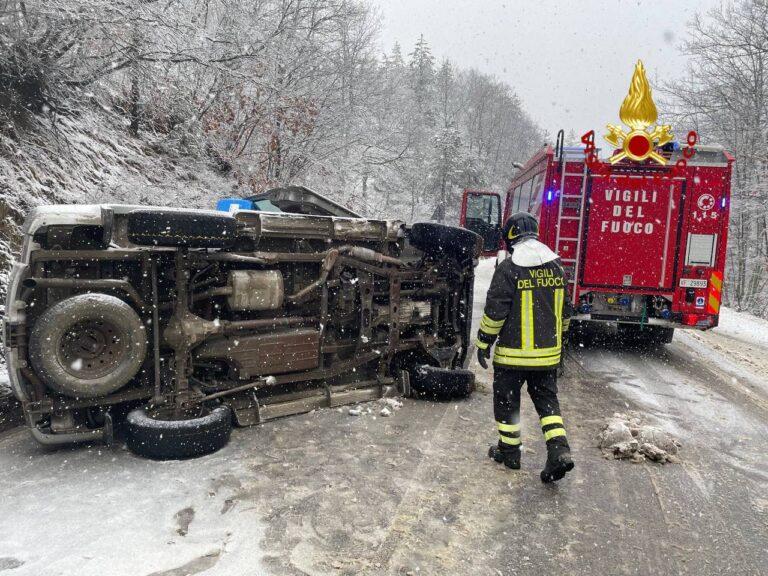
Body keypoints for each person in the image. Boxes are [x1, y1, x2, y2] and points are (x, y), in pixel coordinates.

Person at [475, 212, 573, 483]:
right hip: (547, 357)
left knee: (507, 402)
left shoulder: (510, 267)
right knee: (547, 403)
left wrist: (484, 342)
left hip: (512, 356)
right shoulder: (556, 266)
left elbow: (496, 311)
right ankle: (559, 451)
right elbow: (565, 312)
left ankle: (510, 452)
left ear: (510, 236)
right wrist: (561, 344)